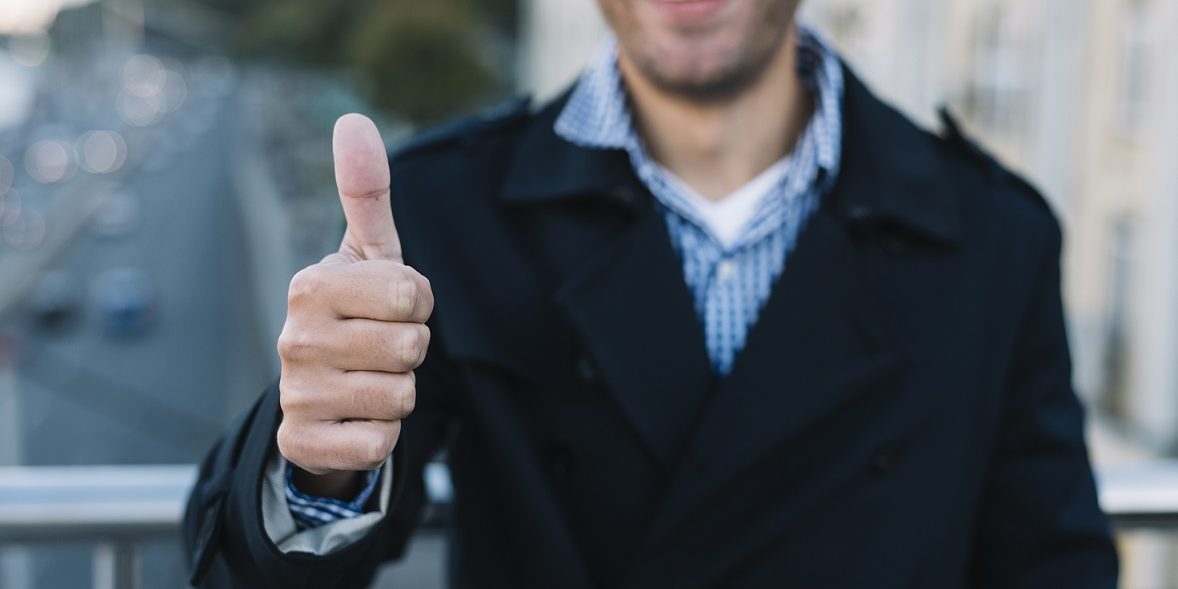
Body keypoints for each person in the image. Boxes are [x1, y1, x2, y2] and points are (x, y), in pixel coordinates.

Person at [183, 0, 1119, 586]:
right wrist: (316, 462)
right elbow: (250, 576)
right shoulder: (446, 209)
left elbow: (1053, 564)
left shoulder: (995, 233)